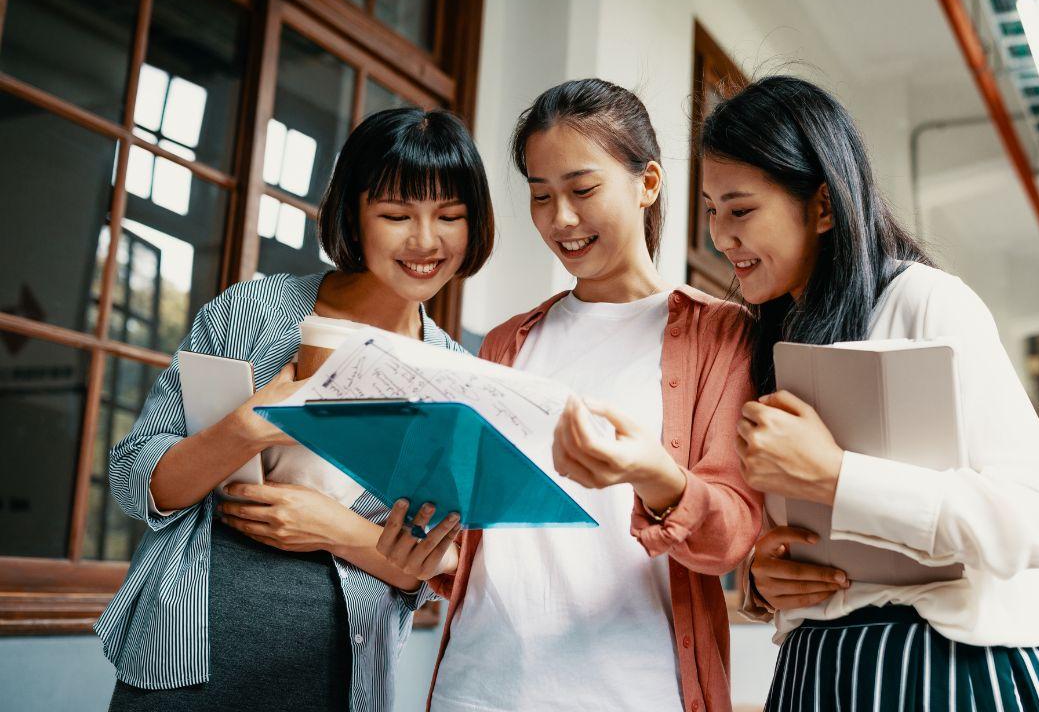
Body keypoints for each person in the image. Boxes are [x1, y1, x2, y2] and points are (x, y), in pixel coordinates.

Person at [700, 76, 1039, 711]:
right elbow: (798, 542)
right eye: (711, 211)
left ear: (823, 206)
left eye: (740, 210)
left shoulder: (925, 301)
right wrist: (767, 578)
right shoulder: (771, 341)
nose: (721, 236)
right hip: (817, 672)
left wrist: (838, 477)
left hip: (947, 667)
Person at [376, 79, 764, 712]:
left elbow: (731, 537)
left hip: (633, 692)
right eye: (540, 195)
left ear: (647, 183)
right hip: (477, 688)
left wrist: (658, 479)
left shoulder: (720, 335)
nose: (561, 219)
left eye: (582, 190)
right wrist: (430, 555)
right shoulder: (506, 342)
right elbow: (486, 541)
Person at [97, 107, 493, 712]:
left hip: (341, 678)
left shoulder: (458, 377)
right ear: (353, 215)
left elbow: (439, 562)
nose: (424, 241)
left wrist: (332, 528)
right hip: (184, 658)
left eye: (450, 216)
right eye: (396, 215)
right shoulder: (258, 311)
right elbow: (137, 480)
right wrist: (248, 427)